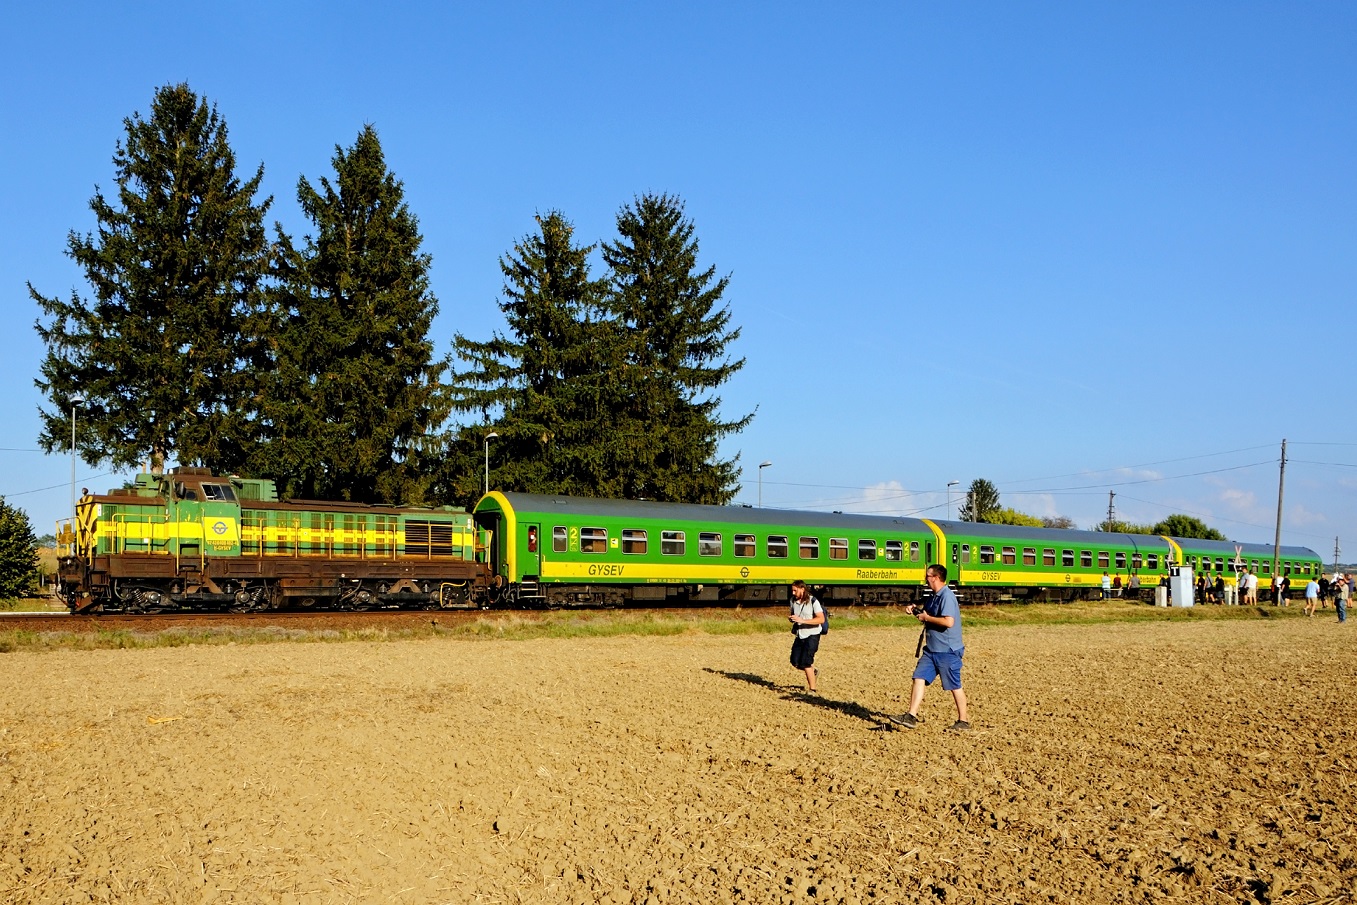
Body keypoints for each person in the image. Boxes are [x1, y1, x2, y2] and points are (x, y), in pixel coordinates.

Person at [890, 564, 969, 732]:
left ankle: (964, 721)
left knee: (954, 686)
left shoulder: (947, 596)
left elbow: (948, 622)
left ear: (936, 577)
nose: (925, 578)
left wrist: (927, 617)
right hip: (932, 649)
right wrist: (915, 610)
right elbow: (928, 614)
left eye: (928, 575)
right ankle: (911, 716)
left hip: (947, 650)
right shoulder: (934, 596)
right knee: (918, 677)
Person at [787, 579, 825, 692]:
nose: (793, 593)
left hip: (813, 634)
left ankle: (812, 689)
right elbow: (796, 615)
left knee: (806, 662)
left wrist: (803, 620)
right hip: (800, 634)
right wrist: (792, 619)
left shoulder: (813, 601)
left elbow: (821, 619)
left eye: (795, 590)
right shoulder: (792, 601)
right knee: (795, 661)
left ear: (802, 589)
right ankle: (813, 672)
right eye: (792, 591)